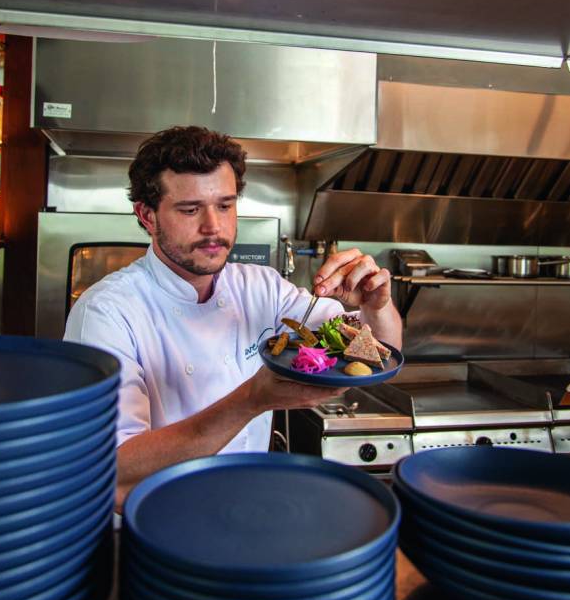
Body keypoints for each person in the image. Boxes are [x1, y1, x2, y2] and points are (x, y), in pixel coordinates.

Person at [64, 126, 402, 510]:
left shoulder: (261, 287)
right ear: (146, 215)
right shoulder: (107, 311)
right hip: (159, 528)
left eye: (224, 205)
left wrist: (376, 306)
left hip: (248, 508)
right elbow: (115, 465)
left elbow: (377, 351)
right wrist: (250, 400)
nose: (214, 227)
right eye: (190, 209)